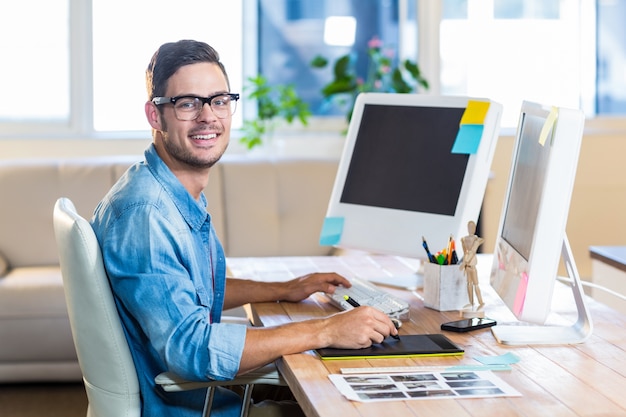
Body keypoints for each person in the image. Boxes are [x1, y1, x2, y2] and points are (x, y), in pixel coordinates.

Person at [90, 39, 398, 417]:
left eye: (219, 100)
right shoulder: (147, 214)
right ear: (156, 116)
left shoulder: (167, 192)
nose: (208, 117)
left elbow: (191, 289)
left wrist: (285, 289)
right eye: (188, 103)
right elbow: (193, 351)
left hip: (211, 400)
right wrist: (327, 330)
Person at [459, 220, 485, 311]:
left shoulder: (476, 240)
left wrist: (464, 263)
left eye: (472, 227)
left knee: (476, 284)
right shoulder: (464, 239)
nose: (471, 229)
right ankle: (471, 302)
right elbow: (465, 252)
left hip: (472, 266)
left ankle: (481, 302)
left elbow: (473, 251)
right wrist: (464, 263)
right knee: (469, 284)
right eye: (469, 227)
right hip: (467, 267)